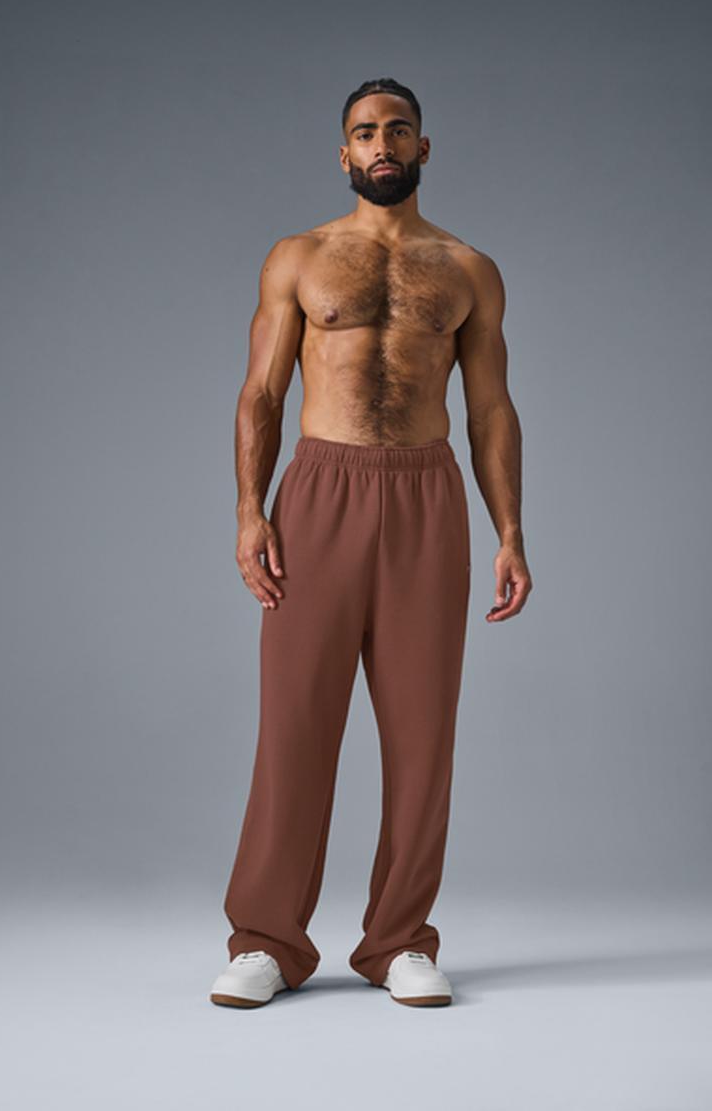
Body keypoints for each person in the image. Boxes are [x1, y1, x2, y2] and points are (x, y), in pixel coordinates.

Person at [210, 77, 533, 1009]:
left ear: (424, 148)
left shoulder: (469, 269)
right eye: (364, 132)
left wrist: (511, 530)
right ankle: (267, 938)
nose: (381, 144)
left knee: (424, 732)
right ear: (343, 153)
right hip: (321, 491)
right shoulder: (300, 257)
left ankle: (399, 940)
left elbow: (492, 410)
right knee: (295, 724)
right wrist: (250, 510)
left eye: (398, 130)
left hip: (427, 497)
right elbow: (261, 393)